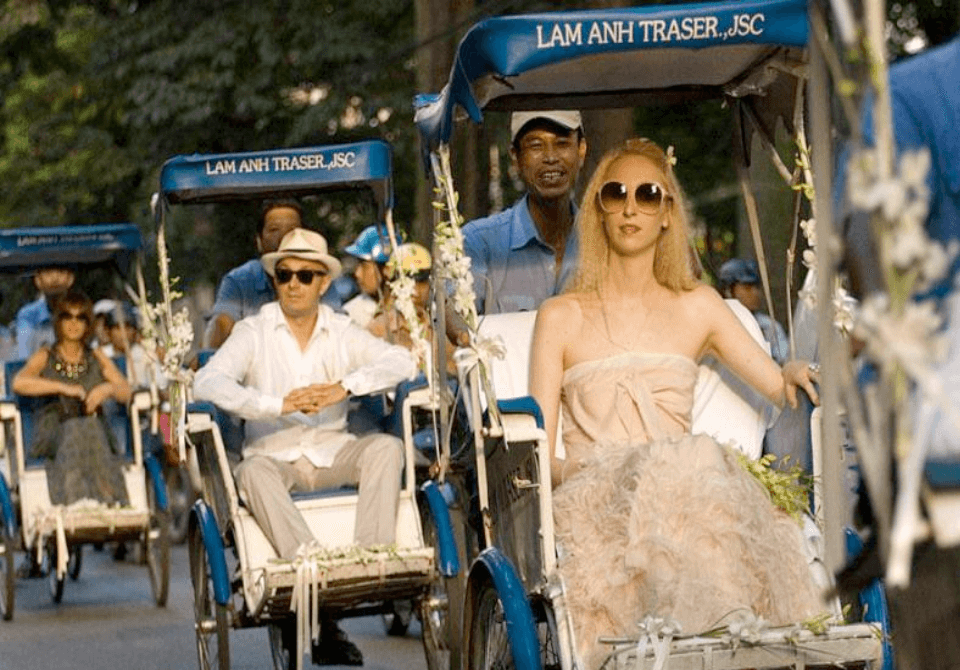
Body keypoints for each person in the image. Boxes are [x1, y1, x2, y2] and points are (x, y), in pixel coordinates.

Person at [529, 138, 825, 669]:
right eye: (615, 194)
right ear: (598, 209)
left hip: (686, 499)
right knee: (687, 461)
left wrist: (796, 371)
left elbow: (778, 385)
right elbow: (537, 453)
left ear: (667, 212)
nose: (630, 207)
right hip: (597, 500)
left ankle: (727, 635)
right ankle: (724, 637)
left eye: (647, 195)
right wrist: (597, 469)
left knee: (698, 463)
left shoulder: (699, 306)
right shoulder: (560, 316)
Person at [193, 228, 417, 666]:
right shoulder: (253, 331)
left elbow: (401, 360)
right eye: (285, 275)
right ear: (274, 280)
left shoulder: (341, 329)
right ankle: (308, 567)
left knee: (386, 449)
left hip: (333, 451)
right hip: (274, 458)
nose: (294, 284)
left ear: (323, 282)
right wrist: (273, 404)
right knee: (250, 472)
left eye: (305, 275)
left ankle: (368, 560)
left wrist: (344, 387)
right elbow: (208, 381)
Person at [12, 291, 132, 507]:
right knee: (75, 428)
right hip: (54, 430)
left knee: (89, 427)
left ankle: (107, 504)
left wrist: (107, 389)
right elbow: (19, 383)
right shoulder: (45, 355)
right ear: (59, 321)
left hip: (94, 431)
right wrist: (63, 388)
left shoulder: (96, 356)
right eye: (68, 316)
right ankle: (81, 501)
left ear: (88, 323)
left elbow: (126, 390)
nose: (74, 323)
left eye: (80, 317)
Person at [462, 110, 587, 315]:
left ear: (581, 150)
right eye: (536, 145)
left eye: (562, 143)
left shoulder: (605, 240)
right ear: (515, 157)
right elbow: (454, 324)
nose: (550, 157)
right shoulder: (479, 243)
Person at [204, 199, 339, 349]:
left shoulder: (319, 277)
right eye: (274, 230)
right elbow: (222, 327)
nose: (283, 237)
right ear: (259, 241)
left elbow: (337, 331)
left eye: (292, 230)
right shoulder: (238, 280)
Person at [717, 257, 789, 364]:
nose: (755, 293)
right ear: (728, 291)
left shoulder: (769, 327)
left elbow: (784, 360)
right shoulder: (716, 325)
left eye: (756, 287)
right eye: (747, 288)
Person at [15, 266, 77, 360]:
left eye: (60, 271)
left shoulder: (81, 311)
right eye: (47, 272)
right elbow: (25, 357)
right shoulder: (28, 314)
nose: (54, 278)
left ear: (70, 278)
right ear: (37, 280)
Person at [341, 225, 391, 328]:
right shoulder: (351, 314)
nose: (357, 274)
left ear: (387, 270)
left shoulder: (411, 309)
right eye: (357, 265)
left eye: (365, 266)